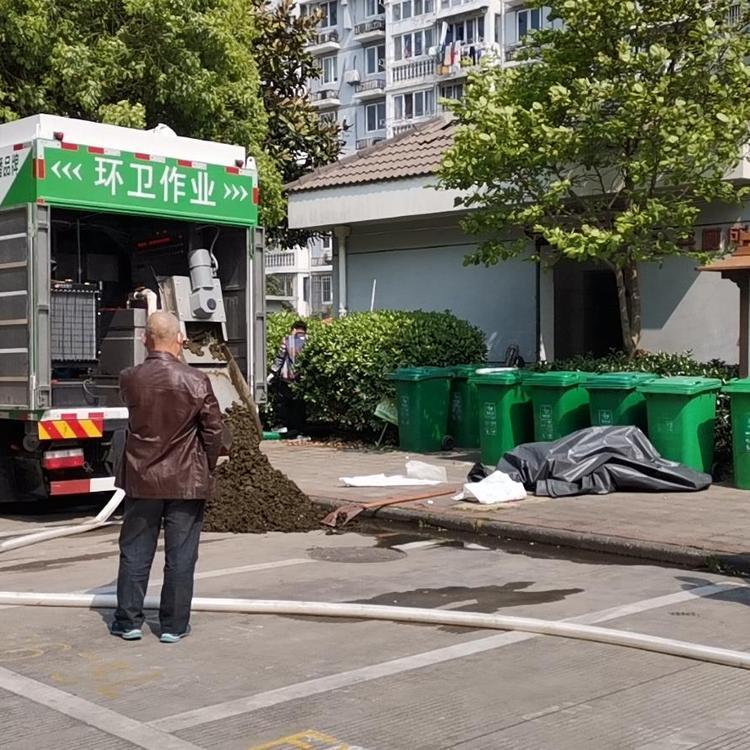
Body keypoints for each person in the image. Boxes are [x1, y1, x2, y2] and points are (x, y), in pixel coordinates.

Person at [110, 311, 223, 643]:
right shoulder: (197, 380)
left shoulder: (129, 377)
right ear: (180, 339)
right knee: (181, 555)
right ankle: (173, 626)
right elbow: (213, 431)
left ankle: (128, 621)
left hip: (141, 477)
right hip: (187, 479)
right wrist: (208, 465)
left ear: (145, 339)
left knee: (134, 550)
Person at [269, 320, 308, 436]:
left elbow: (280, 358)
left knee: (285, 403)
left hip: (287, 378)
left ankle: (286, 427)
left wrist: (272, 373)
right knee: (299, 406)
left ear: (294, 329)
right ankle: (299, 430)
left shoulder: (287, 340)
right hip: (302, 379)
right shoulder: (310, 340)